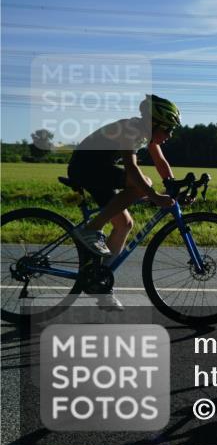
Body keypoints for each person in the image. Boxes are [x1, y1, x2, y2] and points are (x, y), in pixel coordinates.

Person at [66, 95, 180, 309]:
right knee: (142, 183)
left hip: (100, 171)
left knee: (124, 225)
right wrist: (154, 195)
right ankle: (92, 229)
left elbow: (160, 162)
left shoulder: (146, 135)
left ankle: (100, 283)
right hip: (85, 168)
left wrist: (172, 186)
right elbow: (131, 168)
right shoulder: (131, 129)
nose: (169, 135)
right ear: (153, 122)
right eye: (167, 129)